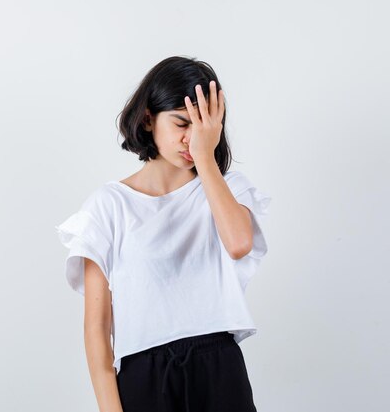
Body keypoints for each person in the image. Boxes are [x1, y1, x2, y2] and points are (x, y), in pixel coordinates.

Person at [55, 55, 271, 412]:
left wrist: (205, 157)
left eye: (204, 127)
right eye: (182, 123)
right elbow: (97, 331)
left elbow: (238, 244)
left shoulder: (226, 189)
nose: (192, 138)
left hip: (218, 367)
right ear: (147, 118)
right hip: (145, 375)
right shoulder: (108, 206)